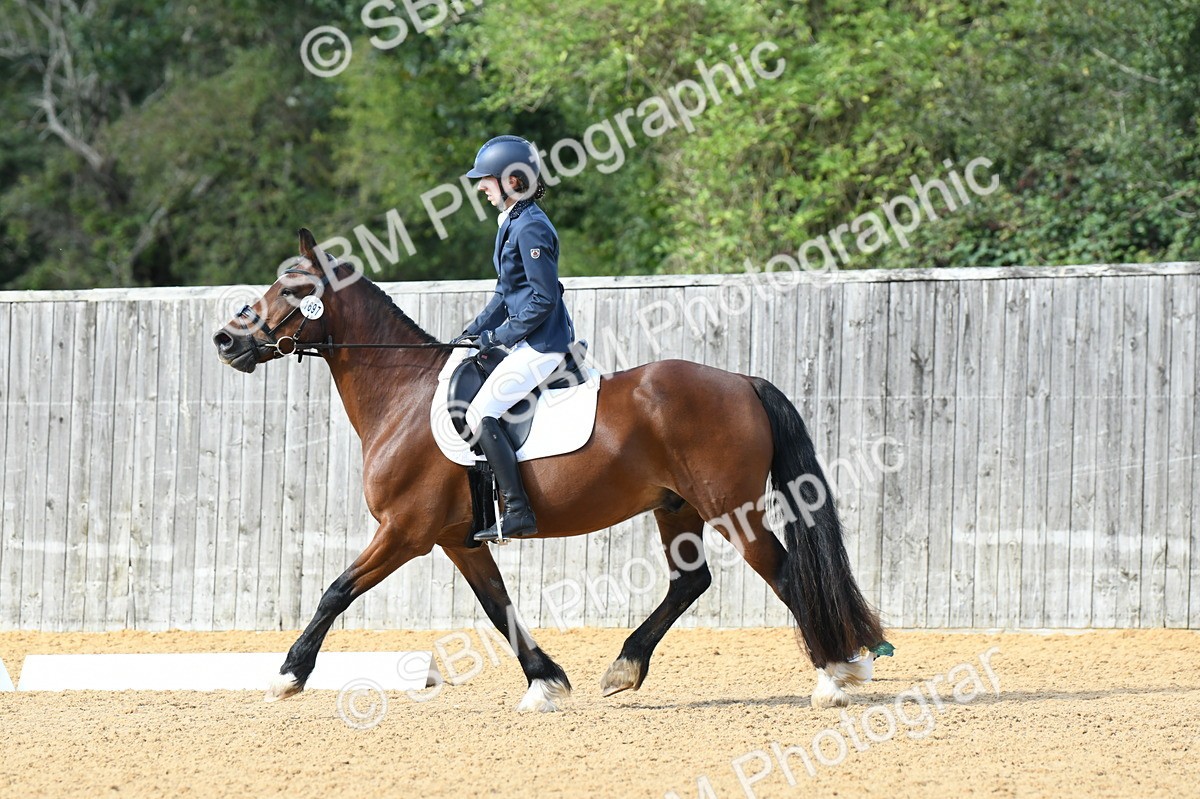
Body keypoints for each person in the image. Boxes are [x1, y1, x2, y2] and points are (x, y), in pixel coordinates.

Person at [454, 135, 575, 542]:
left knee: (479, 414)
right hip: (526, 342)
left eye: (486, 180)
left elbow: (542, 298)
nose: (481, 188)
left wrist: (498, 336)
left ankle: (519, 511)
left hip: (544, 345)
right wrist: (473, 331)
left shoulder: (531, 226)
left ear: (512, 181)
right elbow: (507, 292)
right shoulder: (513, 222)